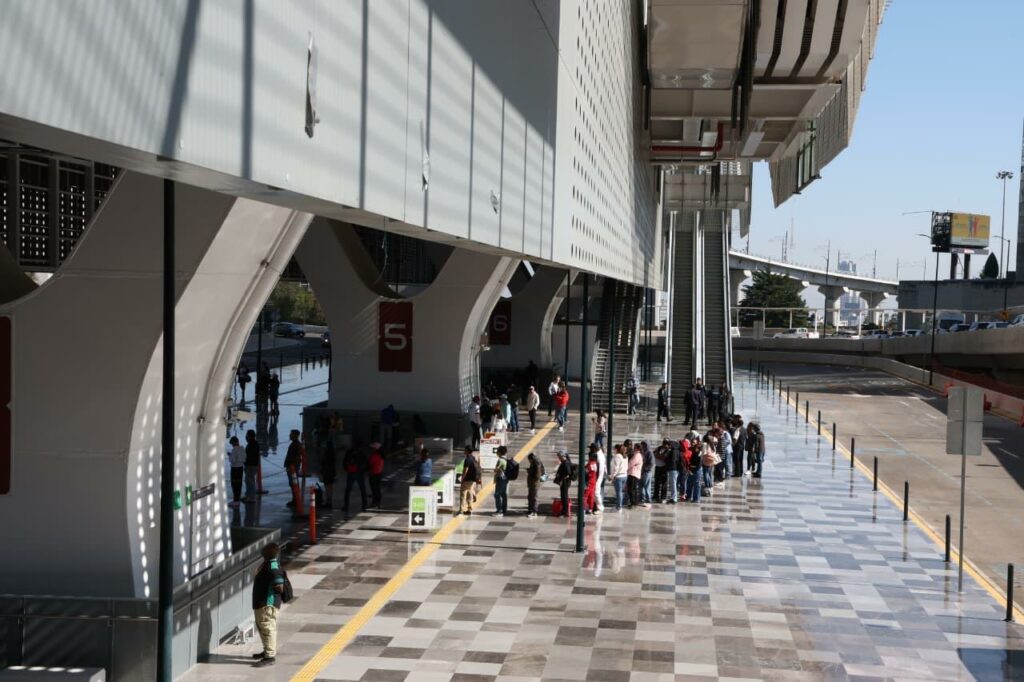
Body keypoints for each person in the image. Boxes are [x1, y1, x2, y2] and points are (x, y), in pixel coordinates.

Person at [251, 542, 285, 667]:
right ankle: (266, 651)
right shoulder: (267, 564)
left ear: (269, 553)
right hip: (261, 603)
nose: (262, 550)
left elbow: (279, 585)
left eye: (264, 549)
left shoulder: (273, 567)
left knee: (268, 627)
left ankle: (270, 656)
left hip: (267, 604)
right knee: (262, 628)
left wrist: (271, 596)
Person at [342, 447, 367, 514]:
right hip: (359, 474)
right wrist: (362, 470)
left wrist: (348, 470)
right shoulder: (361, 453)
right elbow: (366, 463)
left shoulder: (349, 452)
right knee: (362, 489)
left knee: (348, 490)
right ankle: (364, 505)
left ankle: (346, 506)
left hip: (351, 474)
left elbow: (344, 463)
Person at [459, 446, 481, 515]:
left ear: (467, 451)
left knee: (463, 494)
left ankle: (461, 510)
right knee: (469, 494)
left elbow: (465, 470)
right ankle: (469, 509)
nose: (464, 451)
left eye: (465, 450)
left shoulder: (467, 459)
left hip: (467, 479)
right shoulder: (474, 458)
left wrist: (462, 479)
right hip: (473, 479)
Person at [283, 430, 303, 510]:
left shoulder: (295, 444)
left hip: (292, 467)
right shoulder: (296, 444)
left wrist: (291, 465)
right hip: (293, 466)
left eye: (291, 434)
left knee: (293, 483)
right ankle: (295, 499)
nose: (290, 435)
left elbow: (295, 457)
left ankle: (296, 499)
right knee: (293, 483)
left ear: (295, 435)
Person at [553, 451, 573, 517]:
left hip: (565, 483)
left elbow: (568, 473)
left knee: (564, 497)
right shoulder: (564, 463)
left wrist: (562, 480)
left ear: (563, 456)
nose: (559, 458)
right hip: (564, 482)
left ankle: (565, 512)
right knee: (563, 496)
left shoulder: (566, 463)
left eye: (559, 457)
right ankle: (564, 511)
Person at [320, 431, 336, 509]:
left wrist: (322, 471)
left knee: (327, 487)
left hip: (327, 472)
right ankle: (329, 501)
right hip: (331, 472)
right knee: (330, 487)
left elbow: (324, 463)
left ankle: (328, 502)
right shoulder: (332, 453)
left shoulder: (327, 454)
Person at [228, 436, 245, 507]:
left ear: (233, 443)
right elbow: (244, 458)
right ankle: (237, 499)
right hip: (241, 468)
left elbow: (233, 460)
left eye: (232, 443)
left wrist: (230, 455)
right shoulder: (242, 448)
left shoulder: (234, 450)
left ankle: (236, 501)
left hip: (235, 469)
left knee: (234, 485)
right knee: (239, 484)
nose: (232, 445)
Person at [244, 429, 261, 502]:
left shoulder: (252, 444)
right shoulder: (253, 443)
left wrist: (244, 459)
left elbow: (250, 456)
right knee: (249, 481)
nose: (246, 437)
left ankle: (251, 497)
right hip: (251, 465)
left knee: (250, 482)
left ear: (250, 436)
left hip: (251, 465)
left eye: (247, 435)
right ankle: (248, 495)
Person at [526, 452, 544, 517]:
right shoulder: (535, 463)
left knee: (534, 497)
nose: (529, 461)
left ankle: (534, 511)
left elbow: (537, 475)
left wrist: (530, 472)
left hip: (534, 482)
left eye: (529, 460)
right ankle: (530, 510)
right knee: (530, 496)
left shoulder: (536, 463)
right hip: (532, 482)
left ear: (531, 459)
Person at [610, 445, 628, 510]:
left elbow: (616, 467)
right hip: (624, 475)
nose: (614, 450)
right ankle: (620, 504)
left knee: (619, 492)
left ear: (617, 449)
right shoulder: (625, 456)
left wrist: (613, 476)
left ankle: (619, 506)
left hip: (619, 476)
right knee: (621, 492)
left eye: (614, 449)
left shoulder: (617, 456)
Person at [493, 445, 509, 517]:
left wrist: (495, 477)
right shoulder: (506, 459)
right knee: (503, 494)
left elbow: (496, 469)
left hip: (500, 479)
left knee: (497, 494)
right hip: (505, 478)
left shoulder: (500, 460)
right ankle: (504, 509)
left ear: (499, 452)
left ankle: (499, 510)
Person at [367, 443, 384, 509]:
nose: (371, 449)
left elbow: (370, 464)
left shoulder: (375, 456)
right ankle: (378, 503)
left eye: (373, 448)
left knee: (374, 489)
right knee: (377, 489)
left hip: (373, 474)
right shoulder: (381, 455)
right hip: (379, 474)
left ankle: (374, 503)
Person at [664, 438, 680, 504]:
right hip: (675, 469)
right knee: (673, 484)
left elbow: (671, 460)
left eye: (670, 444)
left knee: (673, 484)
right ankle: (673, 497)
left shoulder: (673, 451)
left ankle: (674, 498)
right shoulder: (677, 451)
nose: (669, 446)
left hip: (673, 469)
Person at [640, 441, 654, 507]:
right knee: (646, 485)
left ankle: (644, 498)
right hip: (645, 471)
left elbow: (651, 463)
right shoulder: (643, 452)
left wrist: (644, 469)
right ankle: (647, 498)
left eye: (642, 445)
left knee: (644, 485)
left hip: (646, 472)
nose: (641, 446)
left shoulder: (649, 453)